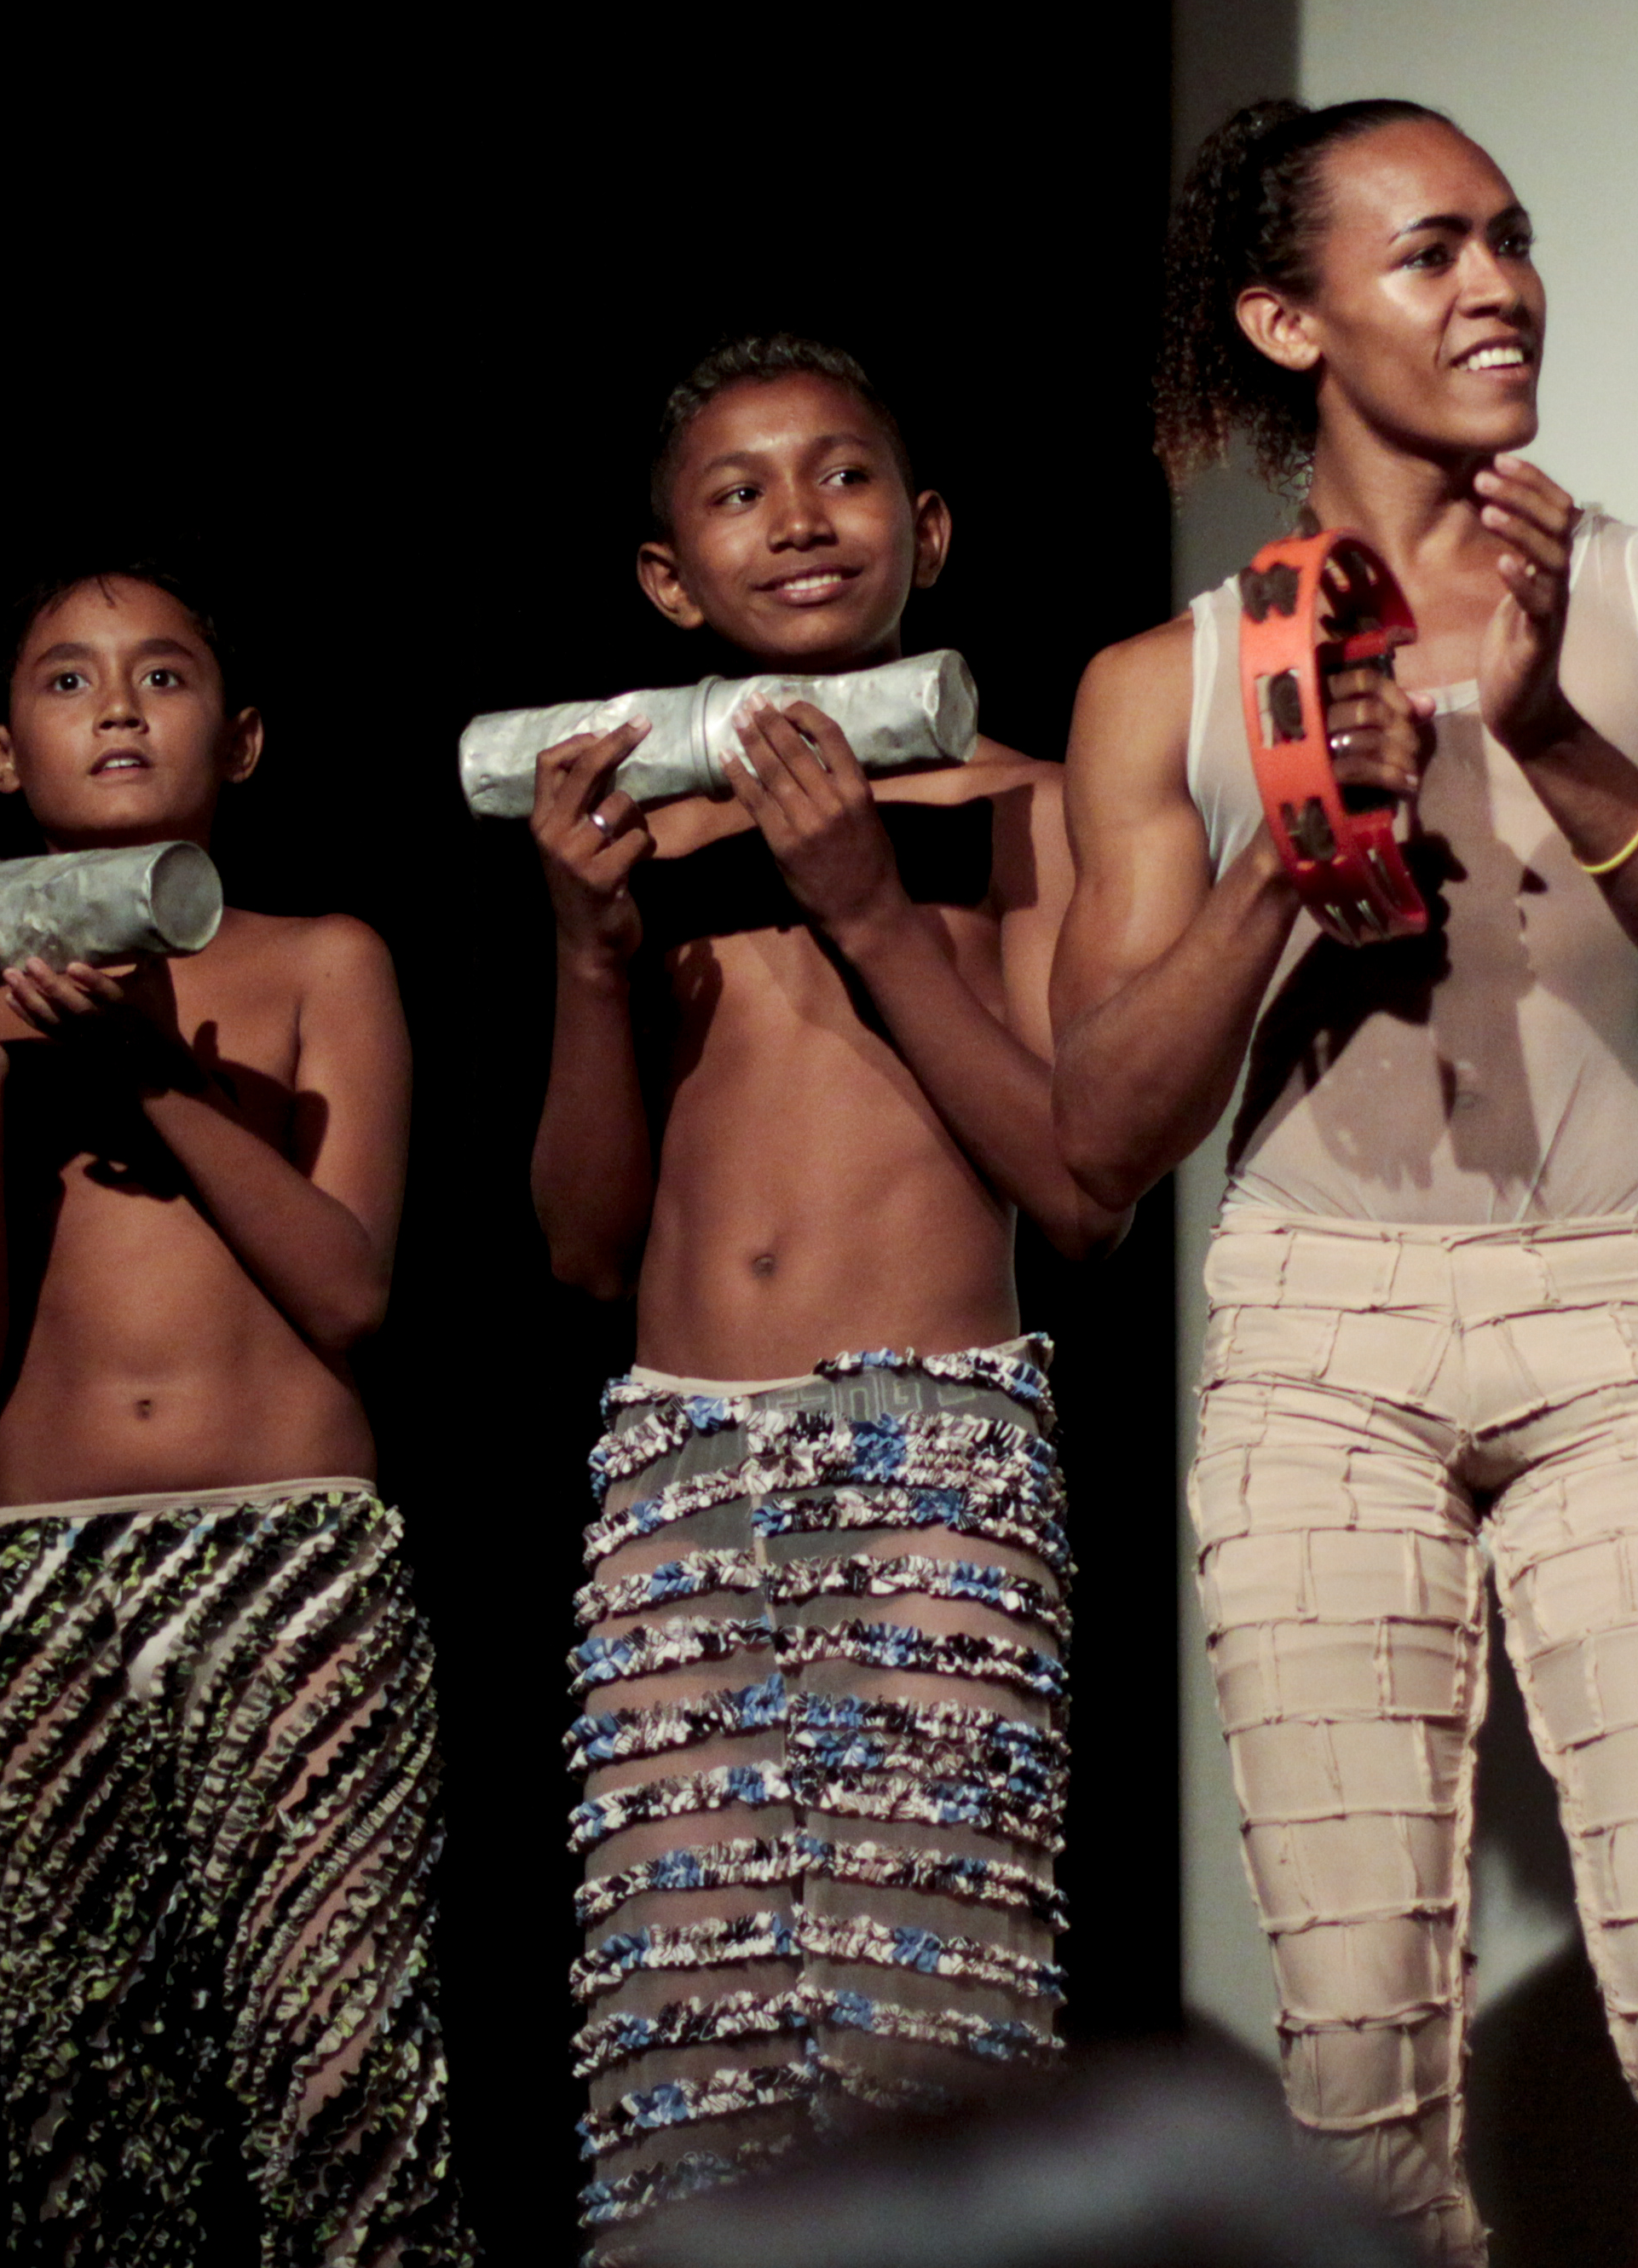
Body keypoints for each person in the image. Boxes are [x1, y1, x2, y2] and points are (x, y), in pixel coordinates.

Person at [1053, 100, 1638, 2268]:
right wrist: (1292, 848)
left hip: (1627, 1314)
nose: (1498, 286)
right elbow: (1100, 1137)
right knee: (1353, 2083)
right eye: (1431, 253)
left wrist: (1555, 734)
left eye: (1513, 237)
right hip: (1321, 1337)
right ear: (1285, 321)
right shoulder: (1163, 683)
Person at [528, 336, 1118, 2253]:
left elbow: (1081, 1191)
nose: (798, 517)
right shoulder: (632, 840)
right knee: (677, 2046)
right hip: (677, 1464)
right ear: (666, 579)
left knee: (927, 2038)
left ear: (929, 530)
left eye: (844, 474)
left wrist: (869, 907)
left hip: (930, 1449)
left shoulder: (1030, 800)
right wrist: (591, 959)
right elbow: (580, 1247)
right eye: (739, 491)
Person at [0, 568, 465, 2266]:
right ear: (2, 752)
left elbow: (351, 1293)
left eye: (164, 675)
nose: (117, 707)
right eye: (66, 680)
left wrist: (155, 1073)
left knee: (344, 2082)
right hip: (42, 1590)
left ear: (244, 737)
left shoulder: (320, 958)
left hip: (294, 1566)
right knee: (92, 2115)